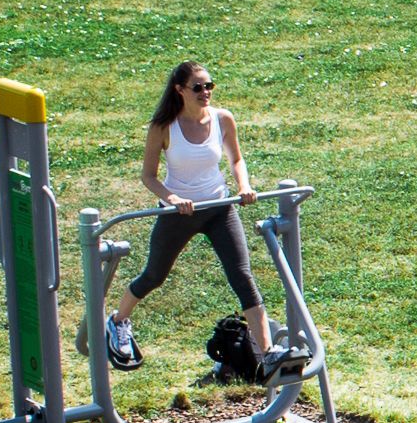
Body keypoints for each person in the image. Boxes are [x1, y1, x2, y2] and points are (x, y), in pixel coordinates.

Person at [101, 61, 297, 378]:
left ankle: (267, 352)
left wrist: (243, 186)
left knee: (243, 277)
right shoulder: (163, 127)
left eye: (209, 86)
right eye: (198, 87)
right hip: (181, 213)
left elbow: (236, 158)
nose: (205, 92)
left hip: (220, 208)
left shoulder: (222, 119)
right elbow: (148, 177)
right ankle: (118, 321)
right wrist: (173, 198)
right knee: (154, 275)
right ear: (180, 90)